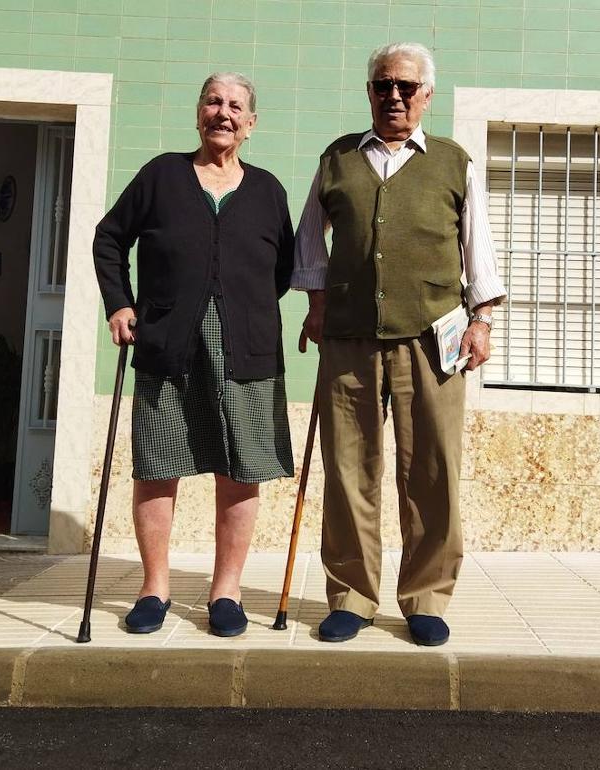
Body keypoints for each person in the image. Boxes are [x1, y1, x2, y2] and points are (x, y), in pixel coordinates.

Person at [293, 42, 505, 647]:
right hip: (350, 338)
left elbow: (477, 246)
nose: (394, 96)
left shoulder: (452, 161)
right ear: (369, 92)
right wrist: (316, 305)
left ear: (427, 95)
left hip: (433, 338)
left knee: (431, 471)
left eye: (406, 87)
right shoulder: (337, 159)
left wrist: (482, 320)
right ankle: (352, 596)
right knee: (349, 470)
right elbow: (311, 240)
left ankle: (427, 596)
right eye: (383, 85)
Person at [93, 72, 295, 638]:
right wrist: (120, 303)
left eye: (235, 106)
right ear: (198, 113)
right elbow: (109, 237)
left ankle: (225, 592)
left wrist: (241, 305)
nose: (222, 113)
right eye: (213, 101)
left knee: (241, 470)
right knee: (158, 466)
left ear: (250, 125)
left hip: (246, 353)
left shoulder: (268, 190)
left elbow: (280, 270)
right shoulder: (162, 175)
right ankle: (154, 588)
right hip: (166, 344)